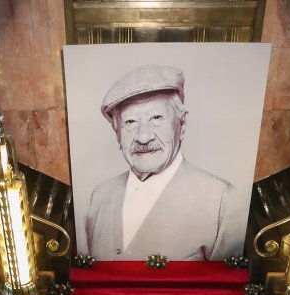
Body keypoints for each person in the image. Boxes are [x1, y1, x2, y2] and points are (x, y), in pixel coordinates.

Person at [82, 64, 237, 261]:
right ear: (117, 133)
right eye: (130, 122)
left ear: (182, 125)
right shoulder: (100, 197)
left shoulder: (222, 199)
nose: (143, 137)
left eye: (156, 118)